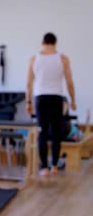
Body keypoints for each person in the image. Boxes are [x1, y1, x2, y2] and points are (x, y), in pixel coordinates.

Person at [25, 32, 76, 176]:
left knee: (43, 132)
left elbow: (28, 84)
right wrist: (73, 100)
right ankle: (54, 166)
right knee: (56, 132)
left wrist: (28, 102)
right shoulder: (63, 59)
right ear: (55, 43)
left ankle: (44, 168)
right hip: (56, 99)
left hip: (40, 99)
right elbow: (70, 83)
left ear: (42, 42)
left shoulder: (34, 59)